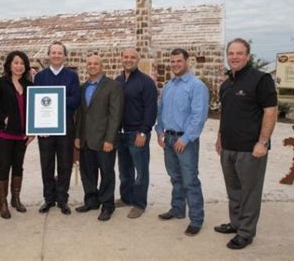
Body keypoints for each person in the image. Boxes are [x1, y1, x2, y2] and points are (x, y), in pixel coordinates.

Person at [215, 38, 277, 249]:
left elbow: (270, 111)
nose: (234, 57)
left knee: (250, 192)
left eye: (239, 53)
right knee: (233, 189)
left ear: (248, 56)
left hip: (251, 149)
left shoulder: (261, 79)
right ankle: (235, 223)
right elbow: (224, 114)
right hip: (228, 147)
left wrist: (263, 142)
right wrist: (219, 138)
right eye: (231, 53)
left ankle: (246, 232)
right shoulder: (226, 84)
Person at [155, 48, 209, 236]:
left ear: (187, 62)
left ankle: (196, 219)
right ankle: (177, 209)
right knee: (175, 178)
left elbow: (199, 116)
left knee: (190, 180)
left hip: (185, 141)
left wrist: (185, 139)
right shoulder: (169, 85)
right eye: (172, 61)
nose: (175, 64)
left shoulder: (196, 86)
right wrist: (159, 131)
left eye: (179, 61)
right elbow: (160, 111)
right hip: (168, 139)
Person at [0, 51, 34, 219]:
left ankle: (16, 199)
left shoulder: (29, 85)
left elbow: (34, 110)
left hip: (23, 134)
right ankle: (3, 201)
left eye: (22, 63)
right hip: (4, 133)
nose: (19, 66)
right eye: (16, 63)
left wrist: (32, 130)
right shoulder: (0, 83)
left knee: (18, 165)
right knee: (5, 164)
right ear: (9, 65)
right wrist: (3, 117)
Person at [74, 55, 124, 221]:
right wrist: (77, 136)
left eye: (96, 64)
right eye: (89, 64)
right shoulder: (83, 87)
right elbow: (80, 115)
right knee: (87, 173)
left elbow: (115, 115)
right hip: (86, 139)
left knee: (106, 173)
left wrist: (110, 139)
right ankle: (91, 201)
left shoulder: (113, 86)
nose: (92, 66)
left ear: (102, 66)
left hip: (104, 140)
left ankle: (107, 206)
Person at [34, 41, 81, 215]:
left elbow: (75, 100)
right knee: (46, 163)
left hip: (65, 126)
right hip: (45, 127)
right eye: (53, 52)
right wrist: (39, 125)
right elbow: (37, 102)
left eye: (59, 53)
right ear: (48, 55)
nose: (56, 55)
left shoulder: (71, 76)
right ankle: (49, 199)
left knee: (65, 163)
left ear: (65, 56)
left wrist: (54, 99)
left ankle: (62, 199)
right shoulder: (40, 77)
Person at [115, 48, 158, 219]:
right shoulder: (117, 81)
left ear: (138, 60)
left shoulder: (146, 82)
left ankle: (139, 204)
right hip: (121, 133)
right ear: (121, 58)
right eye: (126, 56)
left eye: (132, 57)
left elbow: (151, 109)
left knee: (141, 172)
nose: (129, 60)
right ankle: (126, 198)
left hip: (137, 133)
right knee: (124, 170)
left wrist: (144, 132)